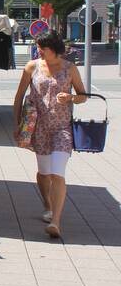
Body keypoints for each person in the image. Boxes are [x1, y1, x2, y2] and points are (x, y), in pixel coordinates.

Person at [13, 32, 86, 238]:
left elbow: (83, 96)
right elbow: (19, 97)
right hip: (39, 128)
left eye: (42, 48)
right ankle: (47, 203)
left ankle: (55, 220)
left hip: (62, 127)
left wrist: (71, 97)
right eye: (38, 48)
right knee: (44, 172)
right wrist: (17, 123)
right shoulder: (32, 67)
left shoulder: (70, 68)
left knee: (57, 173)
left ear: (53, 48)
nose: (39, 51)